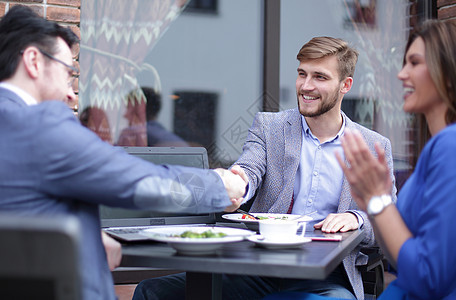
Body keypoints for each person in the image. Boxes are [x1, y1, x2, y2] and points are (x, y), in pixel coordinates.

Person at [0, 6, 247, 300]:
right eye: (68, 74)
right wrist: (220, 186)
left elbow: (24, 202)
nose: (70, 92)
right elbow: (146, 185)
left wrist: (88, 235)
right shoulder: (41, 125)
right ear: (33, 61)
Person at [132, 37, 397, 300]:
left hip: (327, 277)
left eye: (319, 77)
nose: (306, 86)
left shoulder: (374, 146)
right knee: (151, 292)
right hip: (259, 269)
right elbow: (249, 168)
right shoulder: (270, 127)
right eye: (302, 74)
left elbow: (389, 227)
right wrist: (234, 185)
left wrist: (357, 218)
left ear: (345, 85)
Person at [264, 18, 456, 300]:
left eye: (415, 63)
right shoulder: (438, 146)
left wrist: (374, 204)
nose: (402, 74)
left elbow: (429, 278)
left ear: (448, 73)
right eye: (301, 74)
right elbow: (401, 247)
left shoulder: (448, 147)